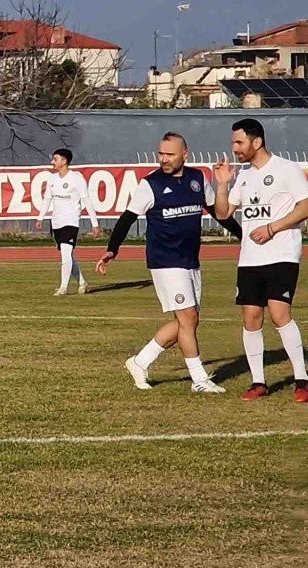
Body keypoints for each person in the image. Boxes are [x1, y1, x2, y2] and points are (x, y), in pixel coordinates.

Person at [95, 131, 226, 392]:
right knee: (187, 318)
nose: (163, 159)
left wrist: (245, 235)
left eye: (169, 154)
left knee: (187, 322)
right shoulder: (150, 184)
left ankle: (139, 362)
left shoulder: (197, 179)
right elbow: (127, 218)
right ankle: (199, 380)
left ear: (184, 155)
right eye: (161, 153)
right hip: (165, 260)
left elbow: (218, 213)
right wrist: (112, 250)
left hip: (190, 259)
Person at [212, 116, 308, 402]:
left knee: (280, 314)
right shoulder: (243, 175)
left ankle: (302, 380)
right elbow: (223, 213)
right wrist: (221, 184)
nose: (235, 148)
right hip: (249, 259)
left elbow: (305, 206)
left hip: (281, 255)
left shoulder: (286, 169)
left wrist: (272, 228)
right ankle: (259, 382)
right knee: (251, 318)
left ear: (257, 141)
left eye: (239, 142)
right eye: (233, 143)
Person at [34, 147, 99, 296]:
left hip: (71, 221)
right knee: (67, 255)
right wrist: (40, 218)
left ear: (64, 161)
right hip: (56, 222)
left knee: (65, 253)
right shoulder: (52, 179)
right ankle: (82, 283)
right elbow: (47, 199)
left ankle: (63, 287)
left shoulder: (77, 178)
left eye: (55, 159)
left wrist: (94, 224)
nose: (52, 162)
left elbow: (86, 200)